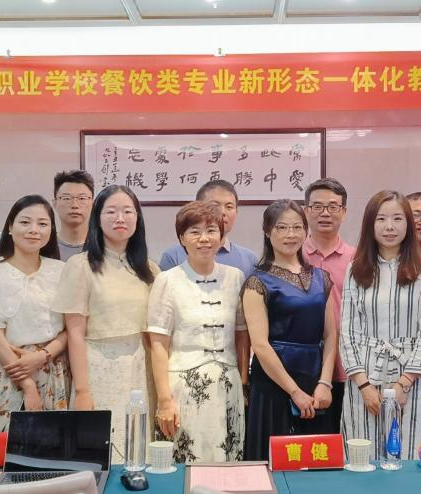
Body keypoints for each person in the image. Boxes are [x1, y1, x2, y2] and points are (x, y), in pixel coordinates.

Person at [52, 185, 160, 460]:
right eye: (111, 211)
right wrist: (82, 391)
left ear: (137, 218)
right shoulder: (81, 265)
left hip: (140, 368)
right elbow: (75, 333)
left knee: (139, 450)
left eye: (128, 212)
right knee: (102, 453)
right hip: (98, 368)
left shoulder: (149, 269)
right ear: (97, 218)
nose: (120, 218)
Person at [340, 191, 421, 460]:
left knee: (408, 455)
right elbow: (347, 333)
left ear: (408, 224)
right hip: (364, 378)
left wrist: (403, 384)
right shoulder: (356, 268)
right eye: (381, 219)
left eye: (397, 219)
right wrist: (363, 385)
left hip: (410, 377)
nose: (389, 227)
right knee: (363, 458)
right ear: (370, 224)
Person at [147, 201, 248, 462]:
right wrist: (164, 400)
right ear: (182, 238)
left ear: (221, 236)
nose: (204, 238)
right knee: (186, 465)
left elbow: (242, 335)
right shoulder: (167, 280)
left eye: (211, 230)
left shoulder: (236, 277)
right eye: (194, 231)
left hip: (228, 386)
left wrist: (244, 381)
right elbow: (158, 344)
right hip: (184, 388)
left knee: (227, 463)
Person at [242, 200, 338, 461]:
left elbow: (330, 335)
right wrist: (294, 392)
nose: (290, 234)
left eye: (297, 227)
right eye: (281, 227)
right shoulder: (257, 282)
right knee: (275, 461)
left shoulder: (321, 278)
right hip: (274, 383)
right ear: (267, 231)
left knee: (315, 462)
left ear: (306, 231)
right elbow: (260, 345)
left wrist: (325, 383)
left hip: (315, 381)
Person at [0, 195, 69, 433]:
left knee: (54, 447)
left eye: (42, 224)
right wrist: (27, 385)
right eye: (25, 222)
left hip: (53, 369)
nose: (34, 230)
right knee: (3, 447)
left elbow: (71, 329)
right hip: (9, 370)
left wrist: (42, 356)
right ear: (9, 227)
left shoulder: (62, 271)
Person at [301, 178, 356, 432]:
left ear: (344, 212)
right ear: (306, 211)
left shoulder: (358, 259)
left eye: (333, 207)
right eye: (317, 206)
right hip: (305, 368)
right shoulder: (292, 256)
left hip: (348, 368)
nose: (325, 213)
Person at [158, 180, 259, 279]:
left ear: (236, 211)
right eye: (215, 206)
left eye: (229, 207)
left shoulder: (249, 260)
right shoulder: (173, 256)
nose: (222, 212)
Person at [53, 170, 95, 261]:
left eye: (82, 198)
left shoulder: (102, 246)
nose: (74, 205)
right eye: (67, 198)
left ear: (92, 203)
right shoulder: (44, 246)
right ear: (55, 203)